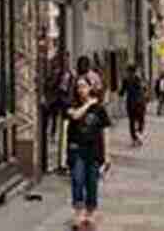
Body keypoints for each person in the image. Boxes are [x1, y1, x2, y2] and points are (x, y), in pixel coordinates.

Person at [66, 79, 112, 228]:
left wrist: (107, 154)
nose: (81, 90)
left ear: (90, 87)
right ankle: (78, 213)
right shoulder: (72, 104)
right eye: (78, 87)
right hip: (77, 150)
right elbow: (75, 116)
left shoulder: (99, 109)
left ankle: (90, 213)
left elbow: (105, 130)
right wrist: (88, 104)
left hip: (94, 151)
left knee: (92, 183)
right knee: (77, 180)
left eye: (84, 86)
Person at [120, 65, 148, 145]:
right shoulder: (138, 79)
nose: (128, 73)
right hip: (139, 103)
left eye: (128, 71)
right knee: (139, 120)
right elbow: (144, 90)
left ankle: (136, 137)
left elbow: (122, 92)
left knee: (133, 121)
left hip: (133, 103)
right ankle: (137, 136)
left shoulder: (127, 80)